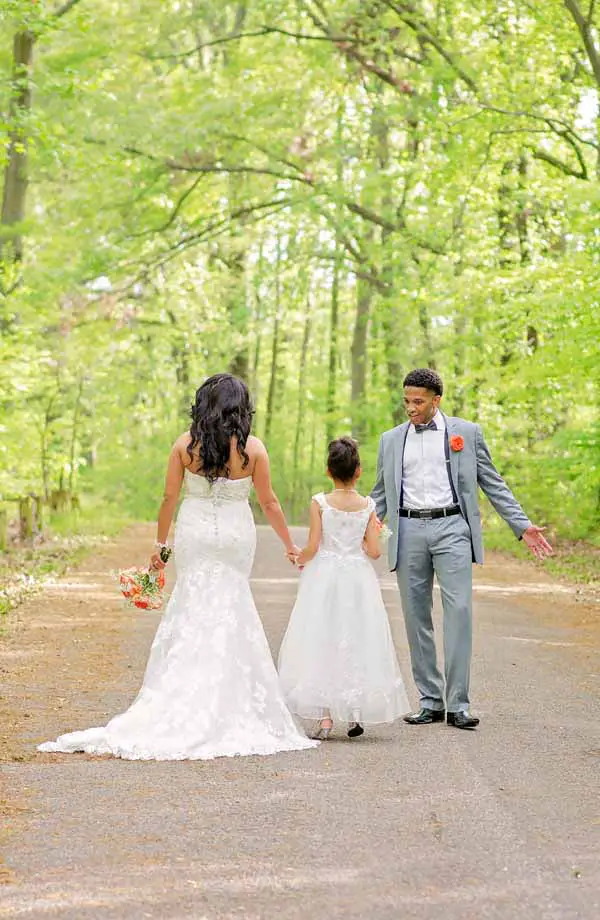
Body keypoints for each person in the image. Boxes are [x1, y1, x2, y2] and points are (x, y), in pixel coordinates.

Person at [39, 373, 318, 760]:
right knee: (233, 605)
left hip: (196, 533)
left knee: (192, 604)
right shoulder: (253, 449)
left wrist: (160, 545)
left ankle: (183, 691)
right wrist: (290, 544)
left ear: (203, 404)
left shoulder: (185, 446)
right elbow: (269, 503)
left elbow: (170, 496)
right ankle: (231, 699)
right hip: (236, 536)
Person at [371, 368, 552, 730]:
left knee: (460, 612)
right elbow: (378, 496)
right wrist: (351, 530)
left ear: (436, 400)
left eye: (418, 401)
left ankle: (458, 704)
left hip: (453, 527)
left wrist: (521, 524)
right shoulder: (391, 440)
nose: (411, 408)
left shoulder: (466, 434)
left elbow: (492, 481)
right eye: (406, 401)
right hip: (407, 530)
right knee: (415, 618)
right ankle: (430, 700)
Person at [278, 437, 409, 740]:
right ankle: (354, 714)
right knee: (356, 636)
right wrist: (364, 539)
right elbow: (375, 552)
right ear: (359, 472)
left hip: (324, 577)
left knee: (323, 637)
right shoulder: (368, 505)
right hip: (357, 578)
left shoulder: (319, 503)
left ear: (328, 470)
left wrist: (298, 556)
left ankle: (325, 719)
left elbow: (312, 546)